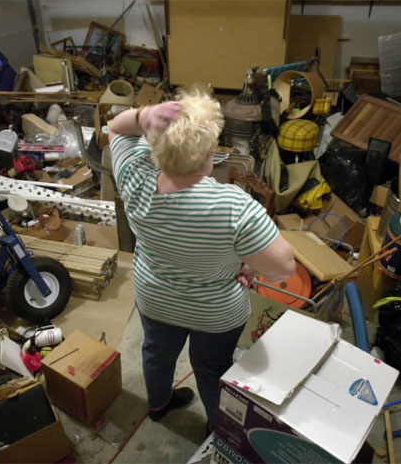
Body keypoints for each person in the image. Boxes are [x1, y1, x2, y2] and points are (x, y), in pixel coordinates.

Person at [108, 86, 296, 433]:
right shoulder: (235, 209)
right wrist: (250, 263)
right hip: (216, 313)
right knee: (211, 369)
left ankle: (158, 404)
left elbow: (116, 128)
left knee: (157, 353)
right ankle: (216, 427)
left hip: (156, 299)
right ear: (211, 154)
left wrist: (142, 116)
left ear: (153, 144)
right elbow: (284, 267)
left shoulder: (134, 178)